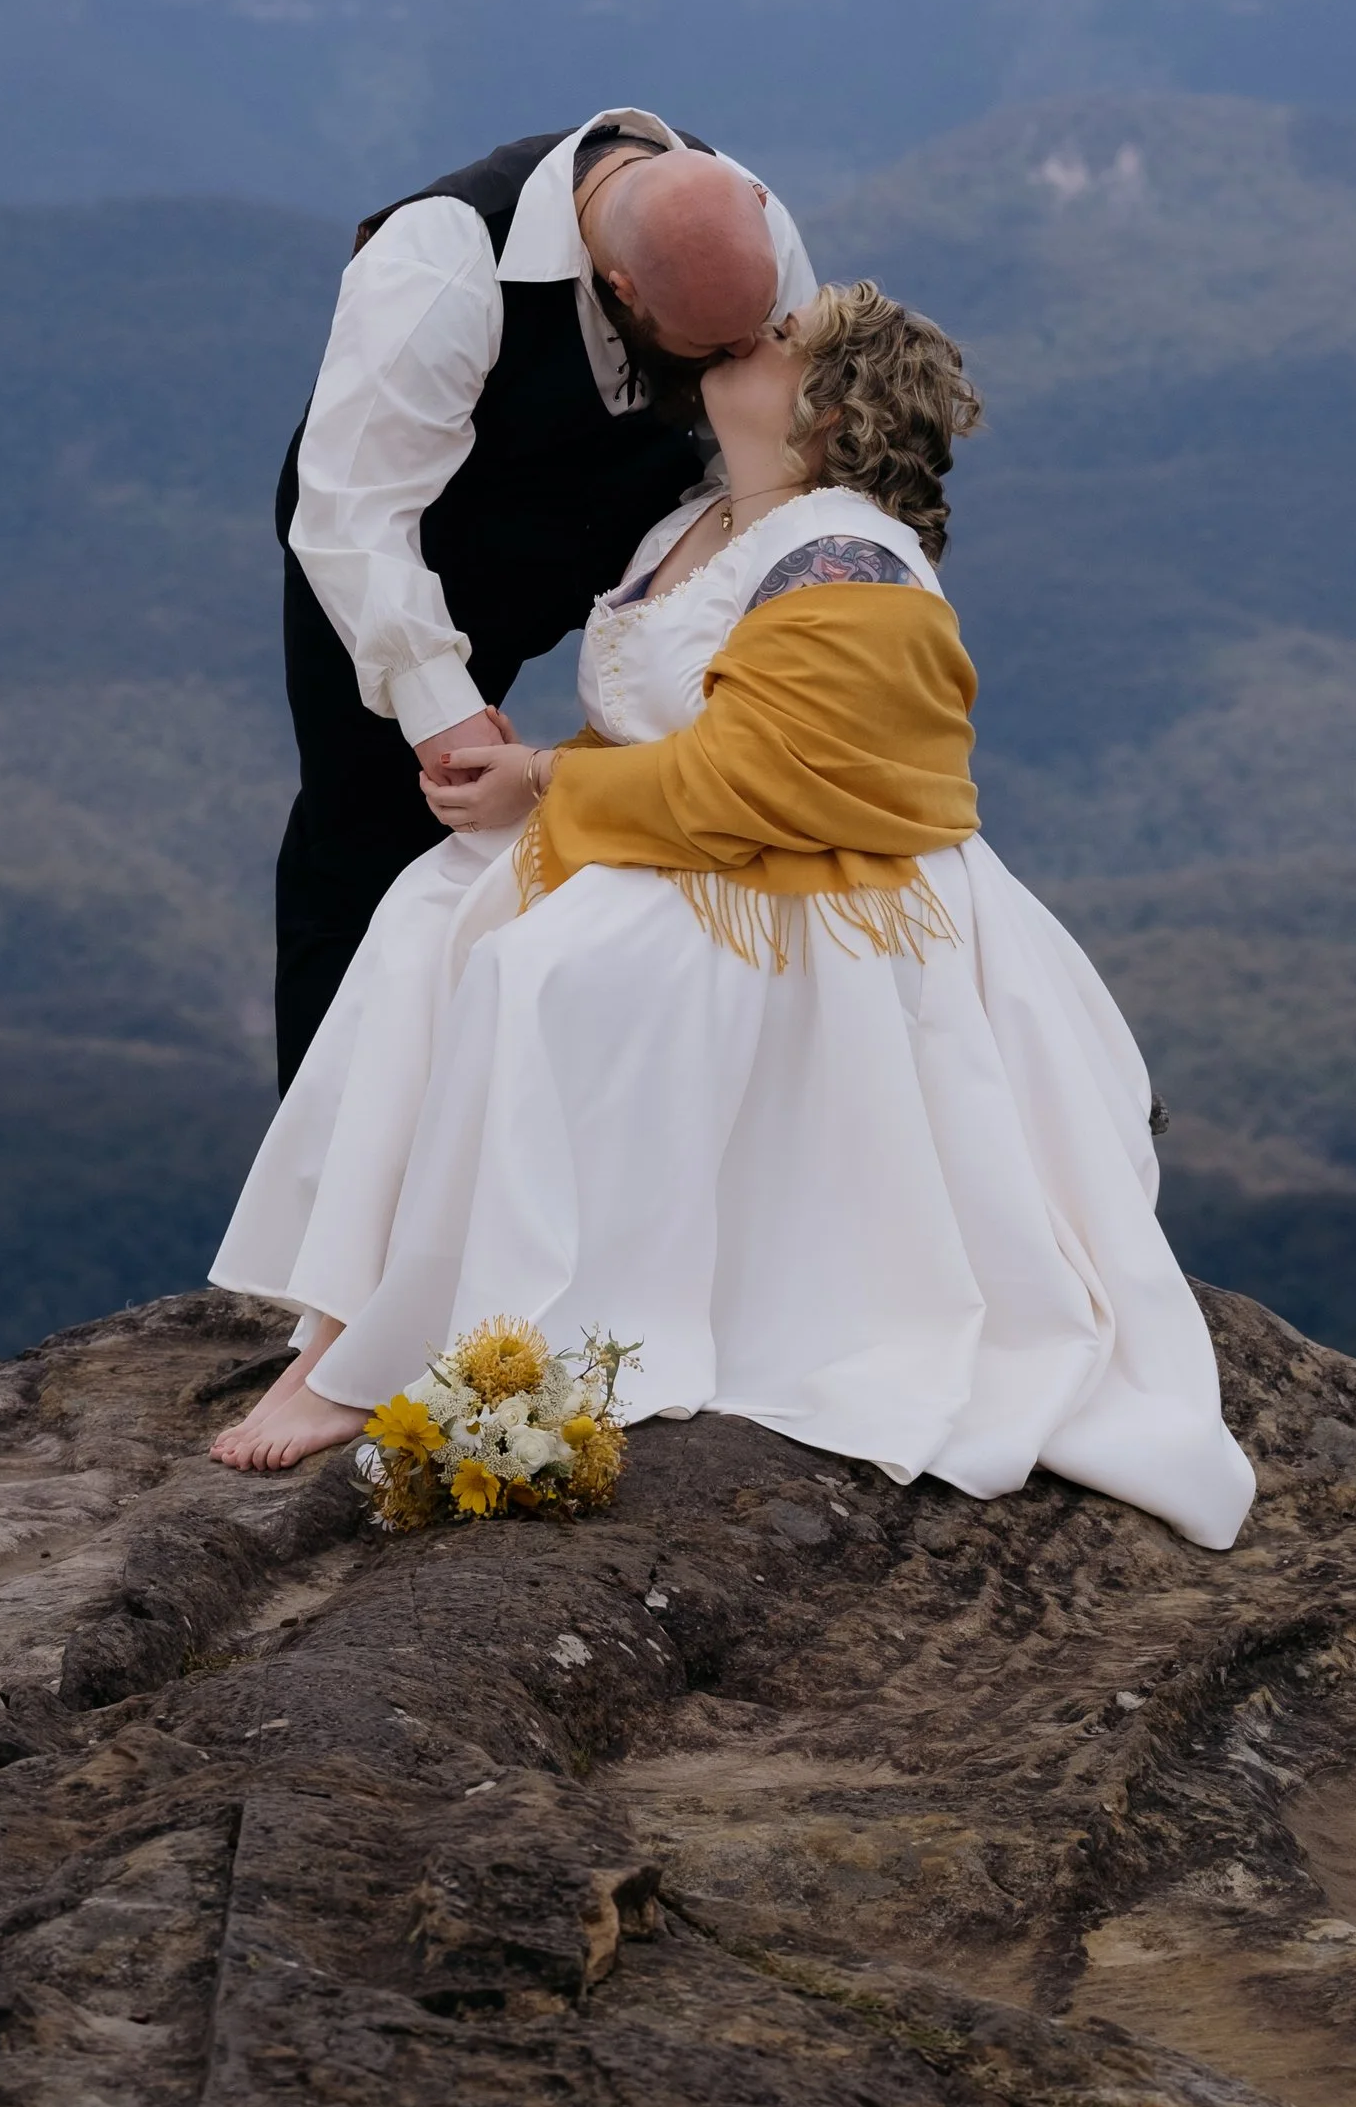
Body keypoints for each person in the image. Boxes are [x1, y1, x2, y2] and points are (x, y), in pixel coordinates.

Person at [212, 283, 1256, 1550]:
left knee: (538, 974)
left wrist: (549, 783)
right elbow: (668, 721)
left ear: (827, 414)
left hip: (815, 891)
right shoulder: (704, 519)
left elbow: (780, 778)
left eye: (781, 341)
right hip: (694, 842)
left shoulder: (850, 563)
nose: (746, 335)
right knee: (427, 911)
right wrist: (530, 772)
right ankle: (348, 1320)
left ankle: (453, 1333)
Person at [271, 109, 814, 1089]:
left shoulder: (738, 222)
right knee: (366, 847)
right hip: (425, 538)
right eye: (705, 349)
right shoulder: (441, 253)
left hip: (648, 515)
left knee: (704, 805)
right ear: (617, 288)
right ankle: (343, 1163)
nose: (736, 363)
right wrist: (441, 709)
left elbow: (787, 446)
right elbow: (353, 512)